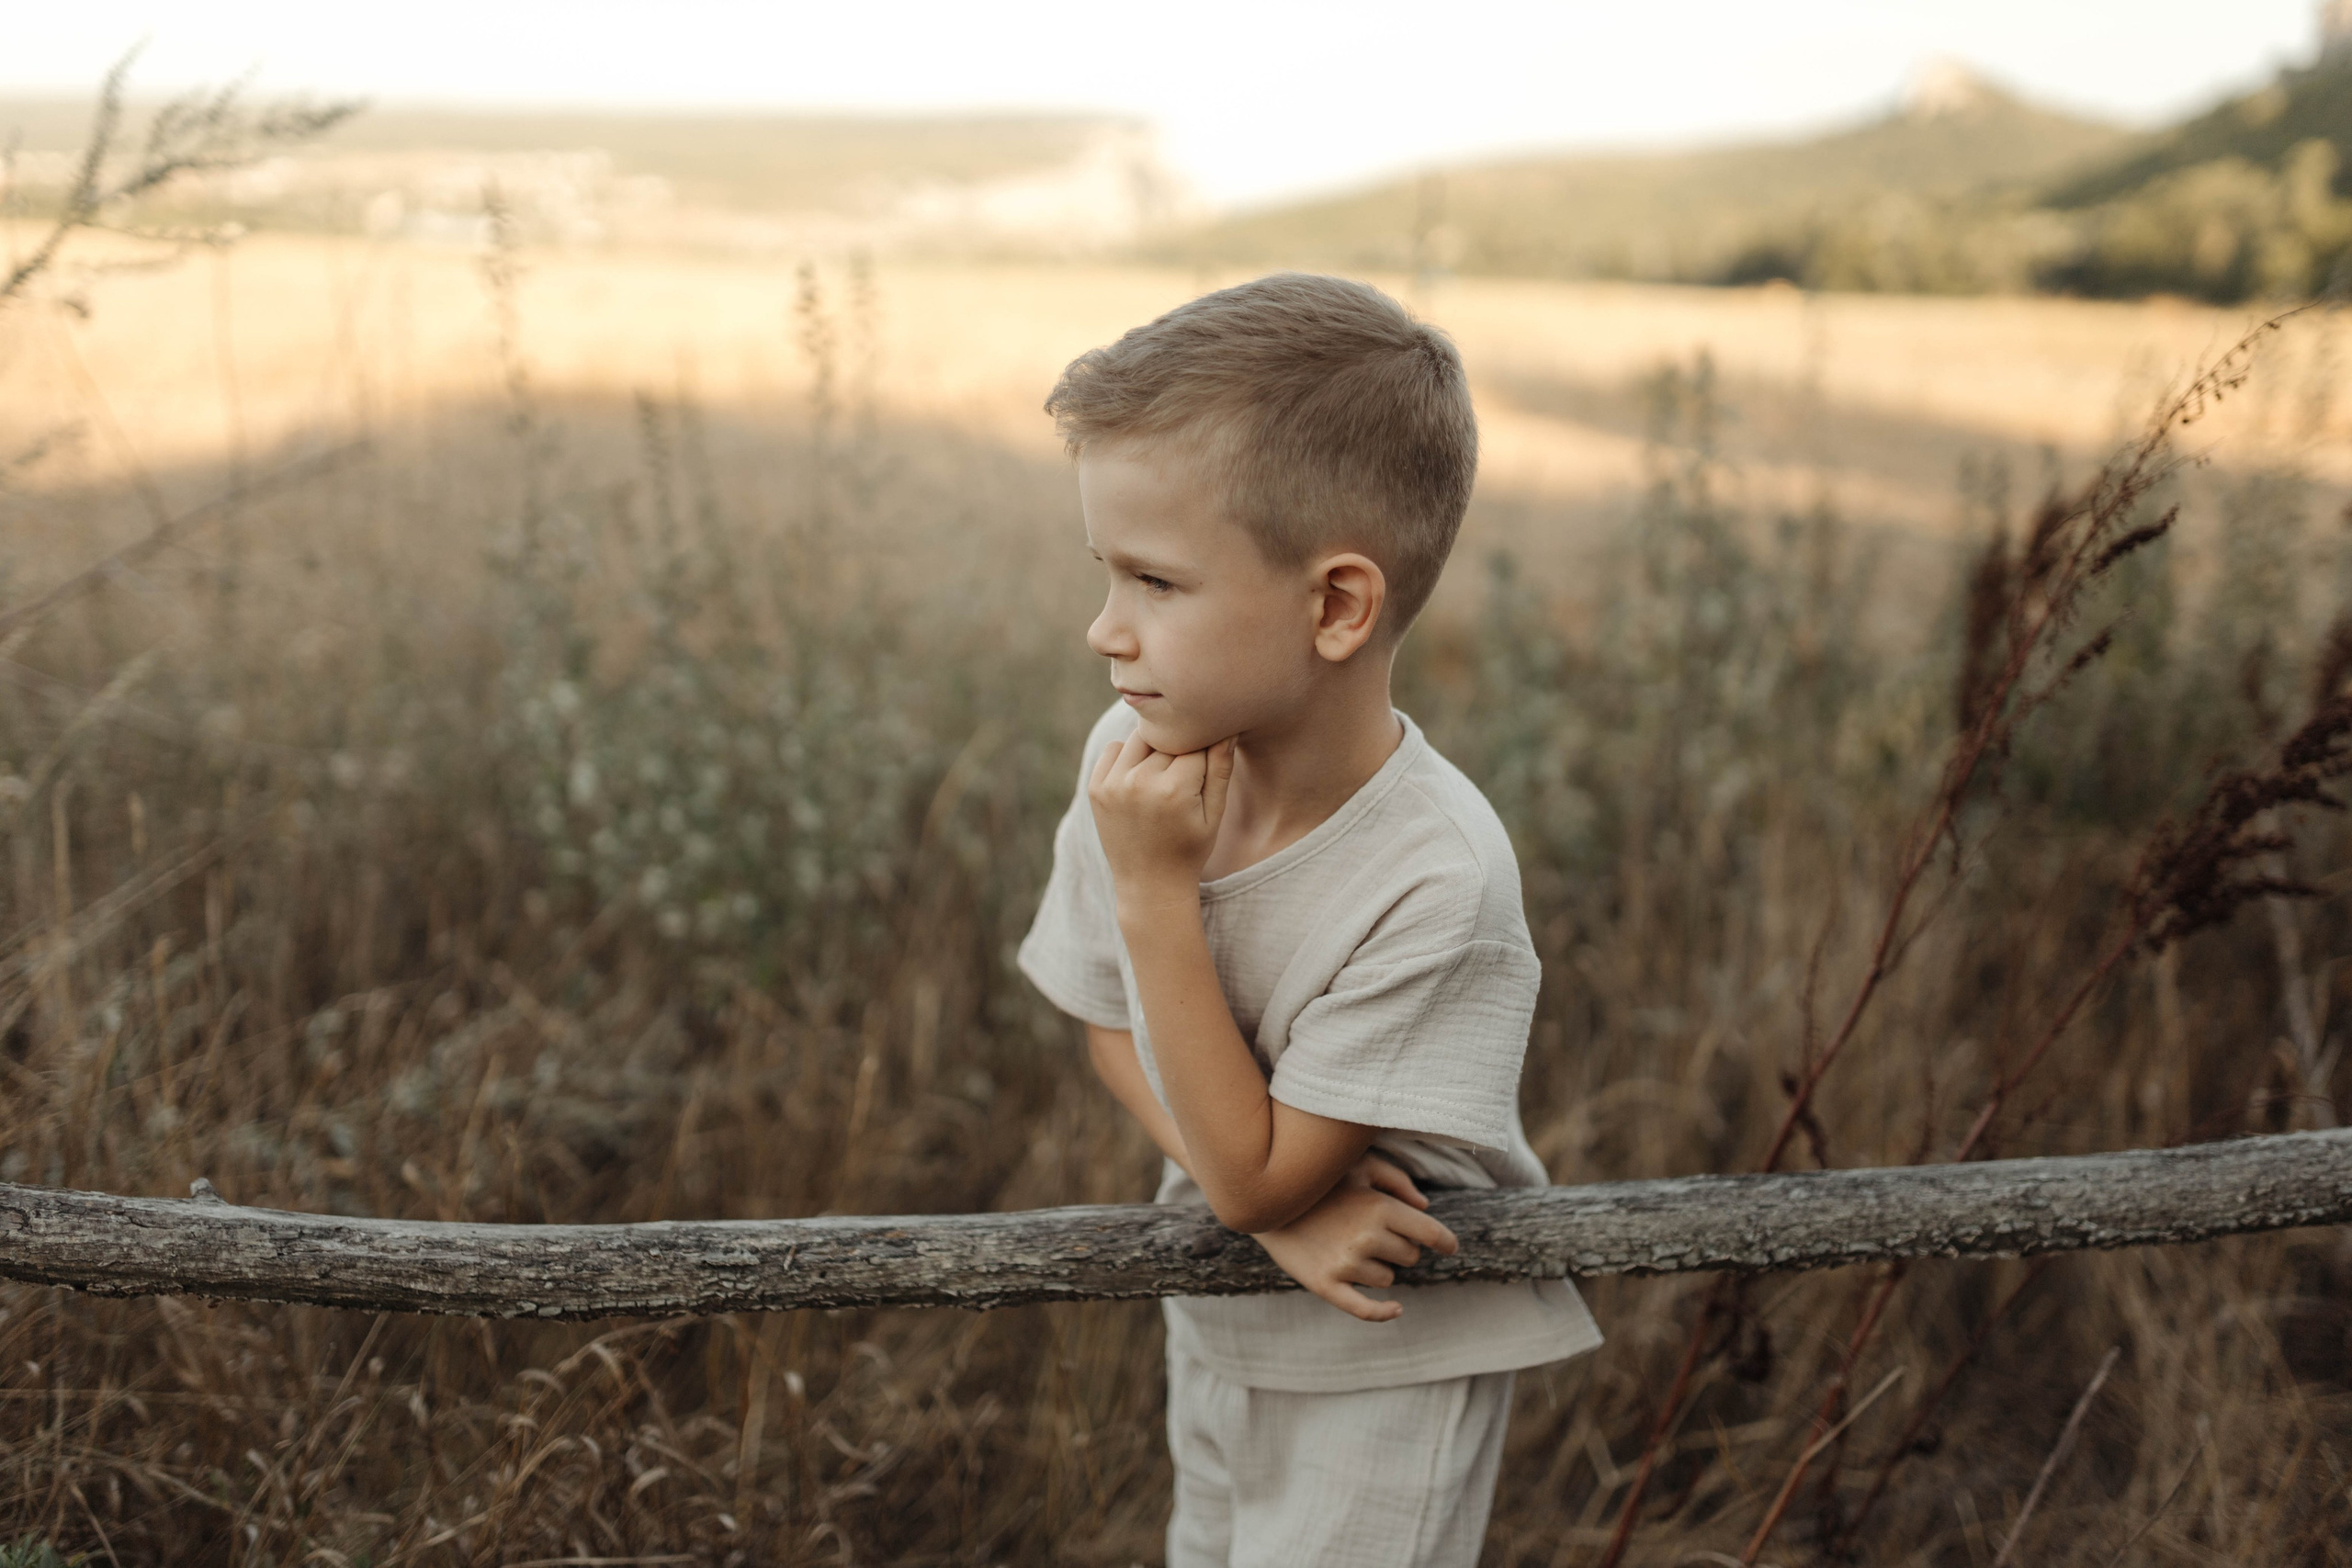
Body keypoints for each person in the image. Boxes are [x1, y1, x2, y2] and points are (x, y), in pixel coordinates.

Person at [1016, 272, 1601, 1568]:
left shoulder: (1436, 878)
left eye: (1156, 583)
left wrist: (1157, 893)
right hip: (1227, 1306)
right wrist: (1270, 1225)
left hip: (1391, 1349)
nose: (1104, 631)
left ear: (1337, 605)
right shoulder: (1138, 760)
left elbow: (1257, 1169)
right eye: (1104, 572)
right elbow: (1113, 1026)